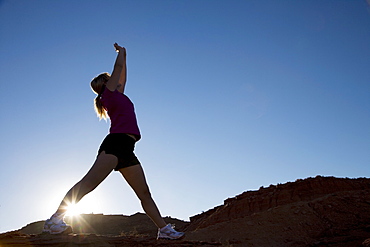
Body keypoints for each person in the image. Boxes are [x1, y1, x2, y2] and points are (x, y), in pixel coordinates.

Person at [42, 43, 185, 240]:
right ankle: (55, 220)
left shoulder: (117, 94)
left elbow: (122, 73)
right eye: (112, 79)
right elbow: (117, 70)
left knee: (144, 193)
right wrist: (122, 53)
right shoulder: (108, 95)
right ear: (106, 84)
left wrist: (124, 56)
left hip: (127, 148)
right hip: (114, 144)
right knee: (88, 183)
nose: (118, 80)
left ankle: (164, 230)